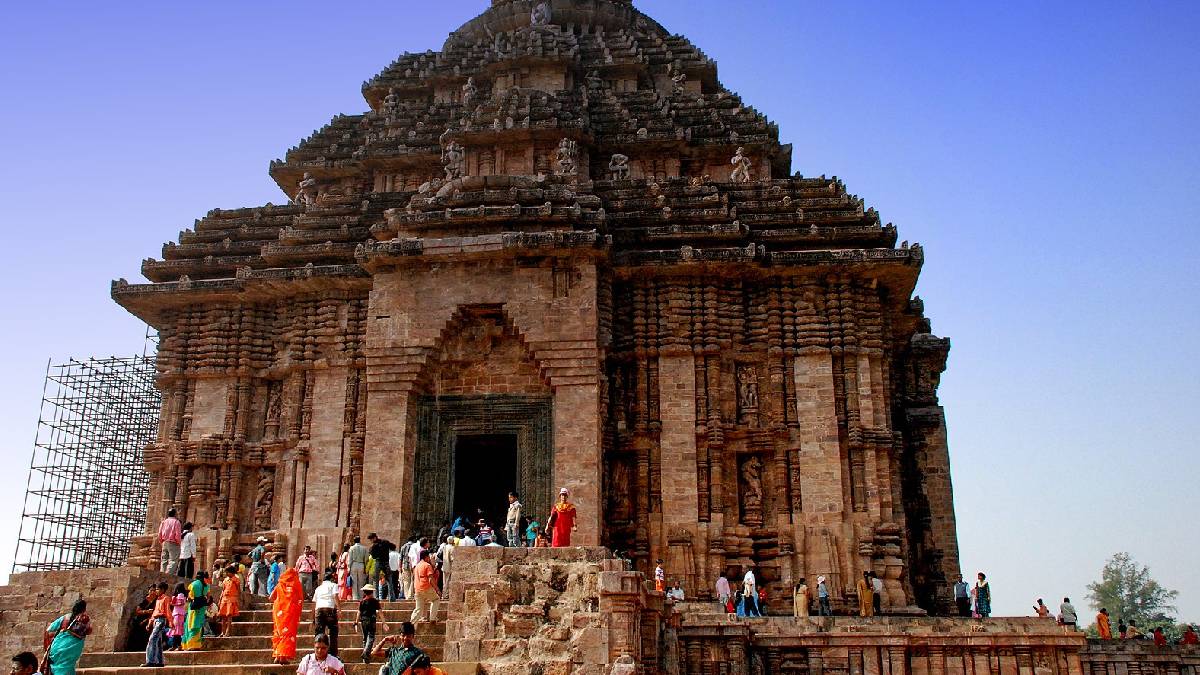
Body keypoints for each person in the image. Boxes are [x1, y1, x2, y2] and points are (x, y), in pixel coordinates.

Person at [43, 599, 92, 675]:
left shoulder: (65, 617)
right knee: (66, 668)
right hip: (71, 650)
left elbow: (49, 630)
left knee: (56, 668)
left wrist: (47, 646)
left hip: (57, 646)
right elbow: (89, 631)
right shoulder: (85, 619)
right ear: (84, 609)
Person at [271, 567, 305, 665]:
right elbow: (300, 598)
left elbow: (271, 597)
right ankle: (283, 657)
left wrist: (280, 600)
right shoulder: (296, 583)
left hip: (279, 612)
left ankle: (277, 655)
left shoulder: (280, 584)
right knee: (288, 634)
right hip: (290, 612)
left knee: (279, 632)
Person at [143, 582, 172, 667]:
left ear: (162, 590)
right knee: (158, 642)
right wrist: (150, 623)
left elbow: (168, 611)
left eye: (157, 589)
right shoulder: (158, 599)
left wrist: (171, 622)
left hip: (161, 620)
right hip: (156, 620)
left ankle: (150, 660)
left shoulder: (166, 598)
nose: (156, 591)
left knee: (152, 639)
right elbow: (155, 612)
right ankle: (160, 661)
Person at [356, 584, 385, 664]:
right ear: (372, 592)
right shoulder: (375, 601)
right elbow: (380, 612)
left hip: (363, 621)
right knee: (371, 638)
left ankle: (365, 659)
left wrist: (356, 622)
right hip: (371, 621)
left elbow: (359, 612)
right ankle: (365, 653)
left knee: (365, 638)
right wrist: (384, 622)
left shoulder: (362, 602)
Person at [313, 573, 341, 657]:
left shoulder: (318, 588)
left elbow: (314, 602)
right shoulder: (333, 585)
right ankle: (333, 654)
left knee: (319, 633)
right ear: (331, 579)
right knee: (333, 633)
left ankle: (318, 653)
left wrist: (313, 615)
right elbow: (335, 596)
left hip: (319, 610)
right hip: (329, 609)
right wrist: (339, 608)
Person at [182, 571, 210, 651]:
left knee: (191, 625)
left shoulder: (193, 584)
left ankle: (191, 645)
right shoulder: (207, 585)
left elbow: (190, 597)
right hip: (202, 607)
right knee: (199, 625)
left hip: (194, 607)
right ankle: (197, 645)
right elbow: (208, 597)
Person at [411, 550, 439, 623]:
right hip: (426, 587)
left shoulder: (417, 566)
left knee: (418, 609)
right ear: (426, 557)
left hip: (417, 589)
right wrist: (437, 589)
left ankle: (412, 623)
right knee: (436, 599)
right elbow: (430, 579)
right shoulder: (427, 565)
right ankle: (432, 618)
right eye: (428, 557)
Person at [217, 564, 241, 637]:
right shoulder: (225, 580)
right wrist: (220, 599)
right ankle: (223, 632)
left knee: (229, 616)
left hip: (232, 599)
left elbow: (238, 590)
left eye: (228, 572)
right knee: (223, 616)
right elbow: (223, 590)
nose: (226, 574)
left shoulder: (236, 579)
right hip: (224, 599)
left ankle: (228, 632)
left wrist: (238, 599)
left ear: (232, 572)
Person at [159, 508, 183, 575]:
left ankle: (162, 573)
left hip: (164, 542)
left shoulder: (164, 522)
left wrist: (161, 541)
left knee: (164, 560)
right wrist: (179, 542)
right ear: (175, 514)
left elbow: (160, 533)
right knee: (173, 560)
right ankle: (168, 575)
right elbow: (178, 534)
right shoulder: (176, 522)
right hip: (173, 542)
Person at [348, 537, 369, 601]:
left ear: (354, 541)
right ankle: (360, 596)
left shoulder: (351, 548)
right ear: (360, 540)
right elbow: (366, 559)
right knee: (361, 581)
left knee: (354, 582)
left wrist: (349, 567)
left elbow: (350, 559)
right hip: (361, 564)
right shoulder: (364, 548)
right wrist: (365, 567)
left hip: (354, 564)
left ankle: (355, 597)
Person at [167, 582, 187, 651]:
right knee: (177, 631)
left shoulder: (180, 594)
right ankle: (177, 645)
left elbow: (181, 603)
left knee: (176, 630)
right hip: (179, 614)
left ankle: (175, 645)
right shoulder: (182, 595)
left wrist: (172, 603)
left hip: (178, 613)